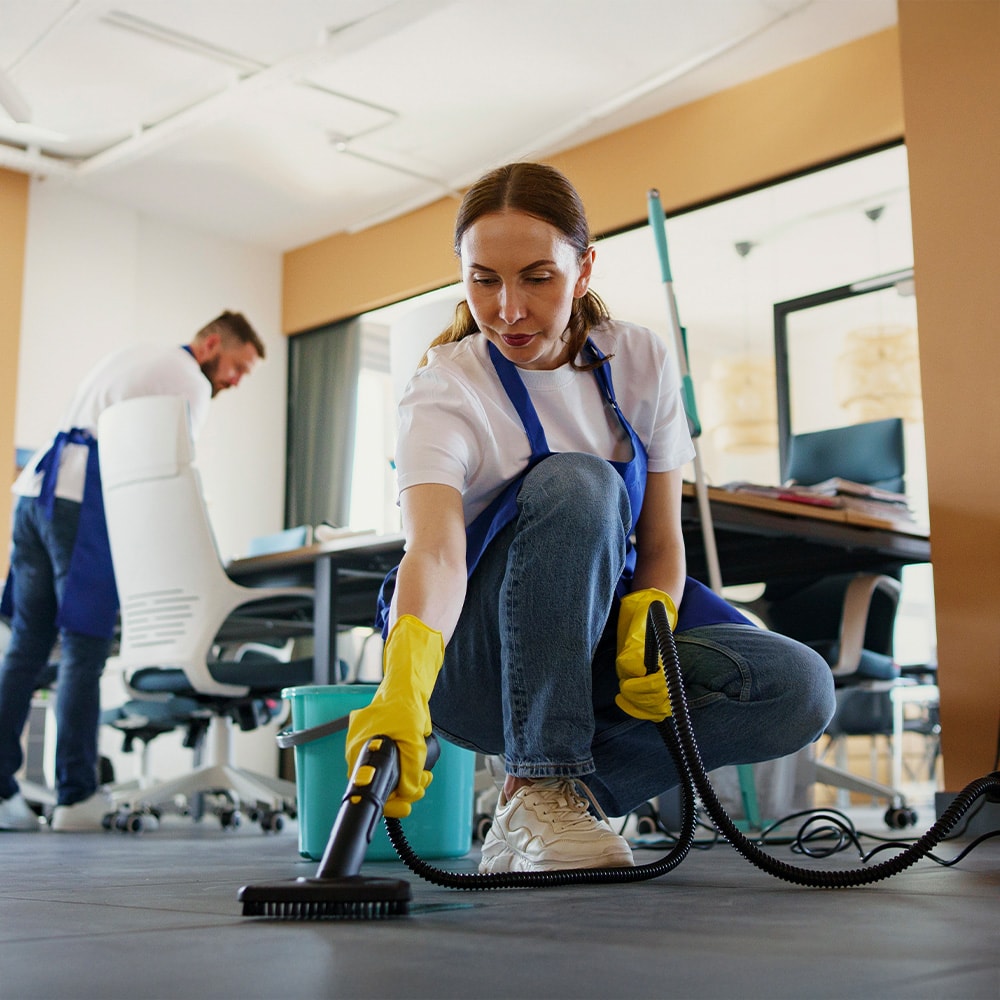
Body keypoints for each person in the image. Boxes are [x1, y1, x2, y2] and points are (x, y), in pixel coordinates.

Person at [346, 162, 836, 872]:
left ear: (583, 270)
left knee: (797, 688)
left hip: (596, 648)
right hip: (477, 665)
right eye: (483, 279)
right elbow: (436, 553)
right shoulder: (446, 389)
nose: (508, 308)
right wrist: (403, 683)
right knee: (580, 481)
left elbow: (664, 542)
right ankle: (539, 777)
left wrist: (654, 614)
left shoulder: (637, 358)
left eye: (537, 277)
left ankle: (551, 798)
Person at [0, 310, 265, 832]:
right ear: (212, 344)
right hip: (82, 499)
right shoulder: (188, 380)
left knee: (27, 646)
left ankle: (2, 792)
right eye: (238, 366)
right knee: (84, 646)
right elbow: (170, 477)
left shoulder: (137, 356)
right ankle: (76, 797)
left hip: (35, 495)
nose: (236, 380)